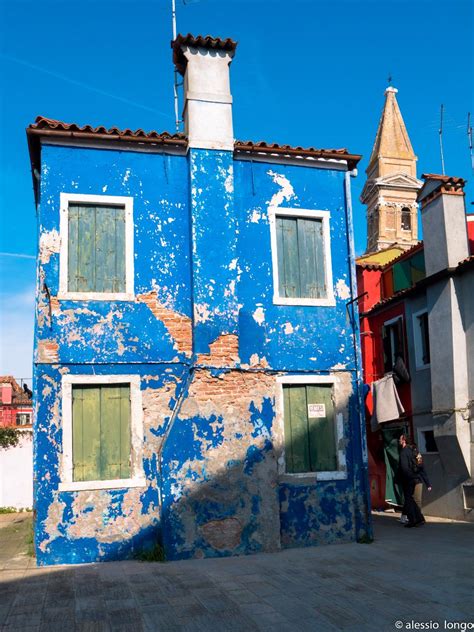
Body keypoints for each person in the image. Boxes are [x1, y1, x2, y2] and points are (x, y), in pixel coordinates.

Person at [397, 434, 425, 528]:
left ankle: (413, 521)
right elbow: (420, 464)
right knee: (413, 500)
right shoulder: (415, 450)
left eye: (400, 439)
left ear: (404, 440)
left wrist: (408, 478)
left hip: (408, 479)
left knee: (409, 500)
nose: (399, 441)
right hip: (417, 478)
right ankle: (420, 519)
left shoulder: (403, 452)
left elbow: (404, 468)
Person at [411, 445, 432, 513]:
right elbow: (422, 470)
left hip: (416, 480)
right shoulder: (416, 455)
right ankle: (415, 516)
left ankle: (417, 516)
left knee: (416, 500)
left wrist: (428, 484)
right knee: (415, 500)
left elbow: (422, 470)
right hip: (414, 480)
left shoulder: (417, 455)